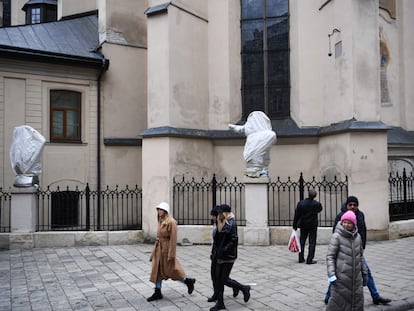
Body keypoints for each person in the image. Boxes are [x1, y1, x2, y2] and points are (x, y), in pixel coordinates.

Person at [324, 196, 392, 305]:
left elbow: (362, 231)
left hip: (356, 251)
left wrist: (361, 248)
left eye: (354, 205)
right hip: (343, 251)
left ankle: (375, 296)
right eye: (350, 204)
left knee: (367, 272)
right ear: (346, 205)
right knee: (338, 274)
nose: (352, 206)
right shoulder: (341, 216)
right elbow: (335, 233)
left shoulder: (360, 215)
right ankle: (328, 296)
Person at [147, 202, 196, 302]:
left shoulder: (171, 222)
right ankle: (157, 292)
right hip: (159, 248)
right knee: (157, 270)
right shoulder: (160, 220)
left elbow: (173, 239)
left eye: (161, 209)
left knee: (172, 270)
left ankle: (188, 281)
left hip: (166, 249)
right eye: (158, 209)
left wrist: (171, 254)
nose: (159, 211)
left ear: (165, 211)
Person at [210, 204, 251, 311]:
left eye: (220, 213)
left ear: (225, 213)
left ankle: (244, 288)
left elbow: (234, 239)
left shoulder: (231, 223)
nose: (218, 215)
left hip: (228, 256)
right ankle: (220, 303)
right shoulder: (220, 221)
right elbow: (217, 240)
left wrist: (223, 250)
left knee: (223, 279)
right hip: (219, 255)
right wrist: (215, 252)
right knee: (218, 279)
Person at [326, 210, 367, 311]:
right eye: (344, 222)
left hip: (356, 279)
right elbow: (330, 256)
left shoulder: (358, 237)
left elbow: (361, 256)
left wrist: (364, 273)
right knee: (338, 303)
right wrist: (331, 274)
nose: (346, 225)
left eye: (349, 223)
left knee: (356, 302)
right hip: (341, 278)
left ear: (353, 224)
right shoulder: (337, 237)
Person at [228, 111, 277, 177]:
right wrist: (233, 126)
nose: (253, 122)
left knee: (261, 159)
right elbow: (242, 128)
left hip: (259, 154)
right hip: (251, 146)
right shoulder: (251, 133)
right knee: (252, 162)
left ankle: (259, 170)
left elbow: (272, 136)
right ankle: (254, 170)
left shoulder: (266, 135)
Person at [292, 189, 323, 264]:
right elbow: (320, 209)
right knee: (312, 242)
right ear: (315, 196)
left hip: (303, 224)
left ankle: (300, 257)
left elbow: (297, 215)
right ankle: (310, 259)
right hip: (312, 224)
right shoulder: (317, 204)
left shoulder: (301, 203)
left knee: (302, 241)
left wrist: (294, 225)